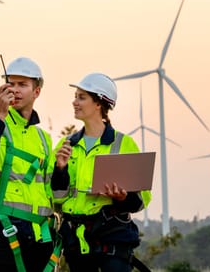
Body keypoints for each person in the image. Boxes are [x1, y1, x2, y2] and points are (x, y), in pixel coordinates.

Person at [49, 72, 151, 272]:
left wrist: (123, 197)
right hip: (76, 240)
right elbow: (55, 197)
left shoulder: (123, 144)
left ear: (99, 103)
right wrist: (60, 169)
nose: (74, 102)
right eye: (75, 96)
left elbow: (141, 200)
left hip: (112, 236)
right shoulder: (66, 144)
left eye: (81, 97)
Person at [0, 56, 59, 272]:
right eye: (12, 83)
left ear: (36, 92)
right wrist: (0, 114)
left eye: (22, 84)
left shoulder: (44, 139)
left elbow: (51, 190)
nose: (15, 90)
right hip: (7, 231)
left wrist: (62, 168)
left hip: (41, 234)